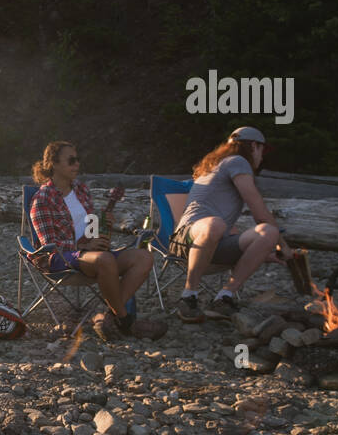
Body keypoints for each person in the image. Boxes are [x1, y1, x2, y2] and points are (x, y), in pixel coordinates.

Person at [29, 141, 166, 341]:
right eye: (71, 160)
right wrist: (83, 247)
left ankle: (111, 317)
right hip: (59, 259)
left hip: (90, 255)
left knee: (143, 257)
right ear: (53, 164)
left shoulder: (81, 190)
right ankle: (125, 321)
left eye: (78, 160)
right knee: (104, 259)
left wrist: (104, 225)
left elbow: (90, 229)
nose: (77, 164)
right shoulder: (43, 198)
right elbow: (49, 244)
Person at [171, 126, 294, 322]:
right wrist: (284, 246)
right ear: (254, 146)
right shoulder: (237, 162)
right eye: (262, 150)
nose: (262, 157)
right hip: (186, 241)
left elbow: (262, 224)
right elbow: (260, 212)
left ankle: (224, 297)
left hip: (214, 243)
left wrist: (265, 249)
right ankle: (188, 296)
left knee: (268, 232)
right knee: (216, 225)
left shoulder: (218, 165)